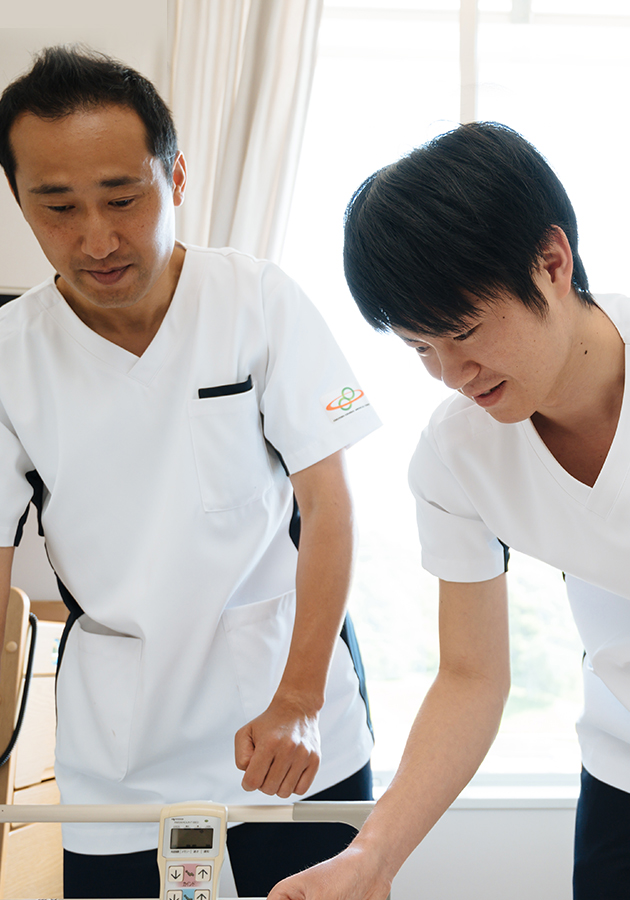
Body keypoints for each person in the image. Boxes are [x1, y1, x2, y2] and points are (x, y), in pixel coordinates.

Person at [0, 46, 381, 899]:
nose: (97, 239)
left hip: (288, 712)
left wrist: (301, 699)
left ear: (175, 178)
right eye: (57, 207)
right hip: (122, 749)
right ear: (20, 202)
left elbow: (330, 507)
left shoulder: (259, 300)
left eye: (122, 198)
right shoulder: (11, 356)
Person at [268, 122, 630, 900]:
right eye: (420, 347)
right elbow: (471, 676)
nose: (452, 372)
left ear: (552, 262)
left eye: (464, 332)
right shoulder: (457, 454)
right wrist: (373, 857)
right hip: (622, 772)